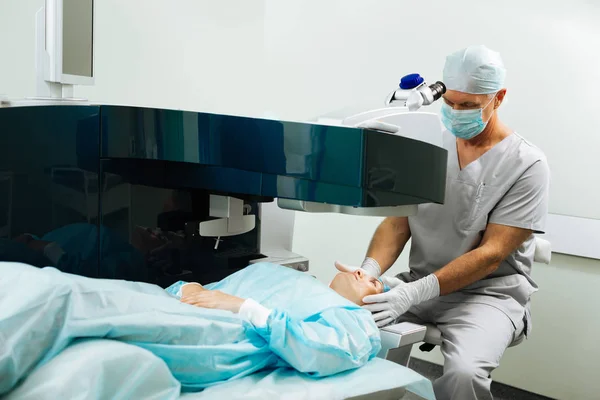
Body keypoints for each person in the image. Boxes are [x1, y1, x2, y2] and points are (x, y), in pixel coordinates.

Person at [336, 45, 550, 400]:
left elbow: (492, 254)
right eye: (449, 102)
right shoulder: (427, 142)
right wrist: (369, 271)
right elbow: (397, 223)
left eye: (467, 105)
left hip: (487, 296)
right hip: (418, 282)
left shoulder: (527, 164)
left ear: (498, 98)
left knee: (464, 375)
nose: (455, 112)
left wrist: (410, 294)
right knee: (342, 322)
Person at [0, 261, 383, 396]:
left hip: (225, 333)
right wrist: (190, 287)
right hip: (179, 305)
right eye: (366, 271)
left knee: (62, 296)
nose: (368, 274)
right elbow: (209, 292)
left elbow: (323, 353)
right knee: (37, 281)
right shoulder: (286, 276)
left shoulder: (354, 319)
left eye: (377, 284)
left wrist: (244, 307)